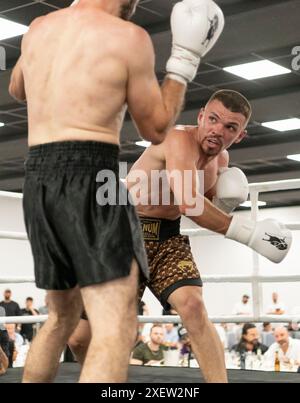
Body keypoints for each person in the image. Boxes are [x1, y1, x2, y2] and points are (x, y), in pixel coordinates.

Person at [9, 0, 224, 383]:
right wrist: (184, 60)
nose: (136, 5)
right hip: (91, 174)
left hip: (38, 178)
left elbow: (17, 88)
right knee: (115, 325)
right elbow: (156, 129)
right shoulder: (129, 37)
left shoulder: (39, 27)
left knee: (59, 318)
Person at [69, 89, 292, 383]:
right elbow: (190, 203)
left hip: (167, 239)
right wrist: (249, 234)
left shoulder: (220, 160)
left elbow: (203, 204)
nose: (217, 130)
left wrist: (225, 201)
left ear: (240, 136)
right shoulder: (177, 140)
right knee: (79, 338)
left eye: (230, 127)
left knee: (193, 306)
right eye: (213, 119)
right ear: (201, 117)